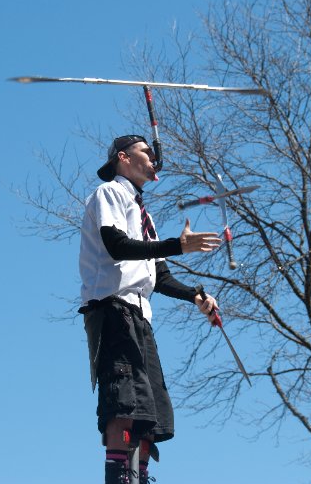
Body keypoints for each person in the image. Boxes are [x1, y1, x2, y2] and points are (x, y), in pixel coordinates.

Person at [78, 134, 222, 484]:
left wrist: (194, 296)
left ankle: (138, 475)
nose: (154, 158)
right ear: (123, 158)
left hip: (140, 317)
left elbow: (158, 275)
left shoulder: (146, 216)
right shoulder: (110, 193)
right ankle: (118, 476)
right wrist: (176, 244)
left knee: (148, 415)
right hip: (113, 309)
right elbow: (117, 245)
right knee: (124, 404)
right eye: (147, 152)